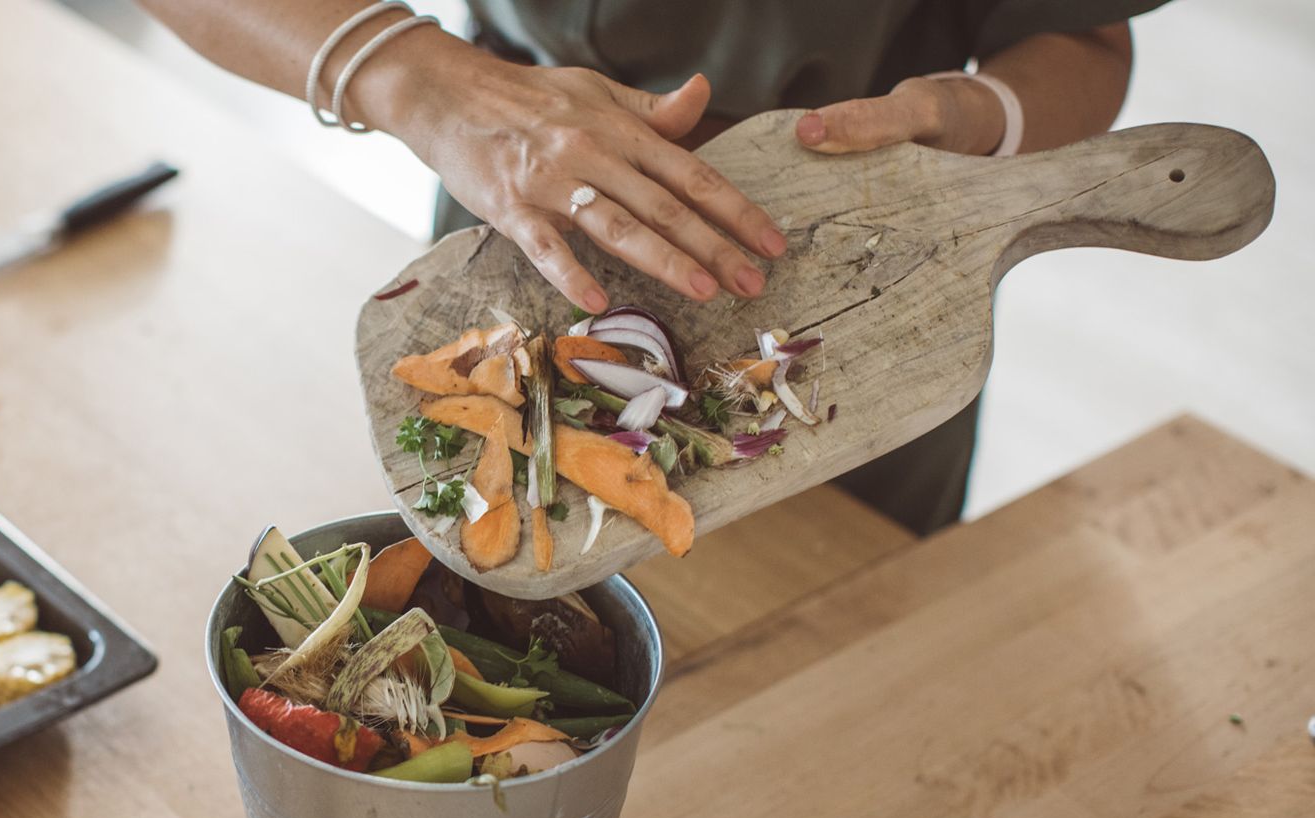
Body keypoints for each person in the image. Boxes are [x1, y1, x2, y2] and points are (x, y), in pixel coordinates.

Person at [137, 0, 1157, 534]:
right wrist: (419, 78)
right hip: (523, 225)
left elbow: (1079, 33)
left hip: (863, 268)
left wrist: (977, 122)